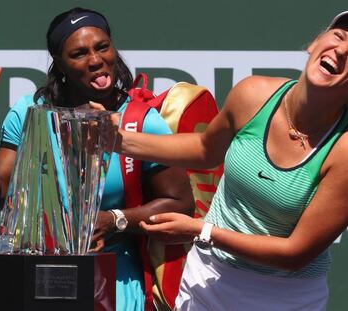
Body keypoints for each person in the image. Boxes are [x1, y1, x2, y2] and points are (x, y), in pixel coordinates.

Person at [107, 10, 348, 311]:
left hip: (286, 297)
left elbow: (295, 253)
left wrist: (201, 231)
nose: (342, 50)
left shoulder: (344, 150)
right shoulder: (253, 94)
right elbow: (205, 149)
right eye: (339, 35)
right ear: (315, 42)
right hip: (207, 279)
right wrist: (121, 141)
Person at [0, 7, 194, 311]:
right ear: (59, 63)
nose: (96, 60)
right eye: (79, 53)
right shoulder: (29, 112)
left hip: (114, 285)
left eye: (102, 47)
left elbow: (180, 203)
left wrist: (115, 221)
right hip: (35, 283)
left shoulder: (140, 120)